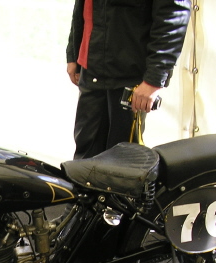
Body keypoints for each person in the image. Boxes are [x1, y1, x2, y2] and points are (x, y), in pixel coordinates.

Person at [67, 0, 191, 159]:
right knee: (85, 161)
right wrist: (73, 52)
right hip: (92, 71)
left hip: (129, 78)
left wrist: (154, 79)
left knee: (122, 163)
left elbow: (173, 17)